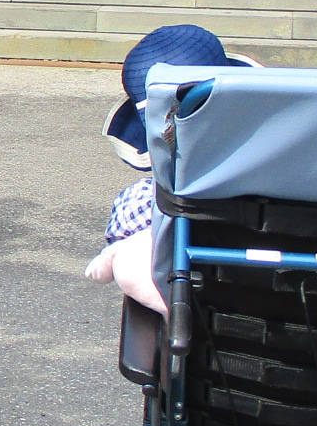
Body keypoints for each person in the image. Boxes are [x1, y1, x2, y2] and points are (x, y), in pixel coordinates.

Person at [87, 23, 257, 312]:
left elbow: (126, 231)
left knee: (135, 256)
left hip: (212, 320)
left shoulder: (142, 200)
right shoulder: (299, 176)